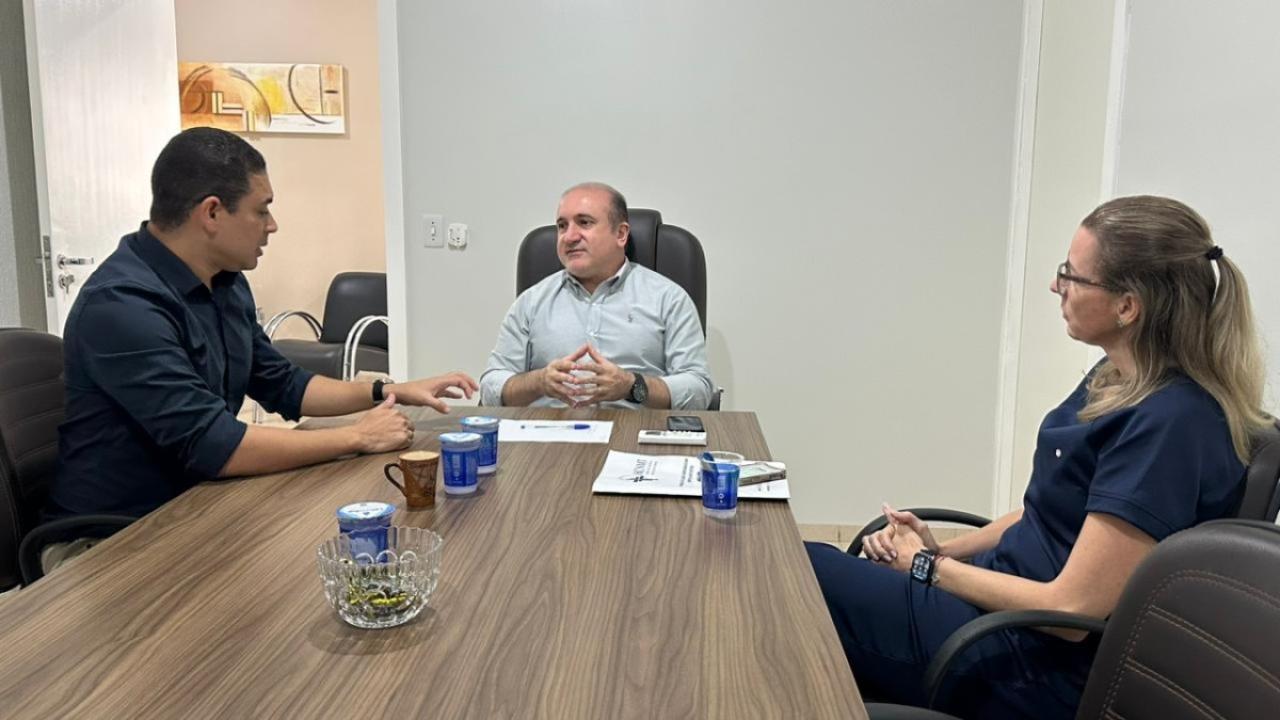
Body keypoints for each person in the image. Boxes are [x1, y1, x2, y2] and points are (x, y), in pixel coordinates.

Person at [805, 196, 1273, 718]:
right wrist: (943, 550)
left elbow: (1071, 611)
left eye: (1071, 275)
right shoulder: (1114, 379)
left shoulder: (1171, 424)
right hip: (996, 611)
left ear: (1127, 306)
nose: (1056, 285)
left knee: (802, 574)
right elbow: (1047, 511)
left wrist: (925, 567)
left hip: (1028, 661)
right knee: (804, 571)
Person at [48, 127, 478, 530]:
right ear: (212, 212)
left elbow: (283, 384)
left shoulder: (224, 282)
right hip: (115, 536)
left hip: (198, 506)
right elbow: (213, 445)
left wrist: (388, 390)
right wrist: (357, 437)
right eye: (262, 209)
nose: (272, 225)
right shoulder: (122, 305)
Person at [479, 182, 714, 409]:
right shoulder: (531, 302)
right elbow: (490, 389)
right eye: (562, 226)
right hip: (550, 430)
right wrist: (538, 382)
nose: (569, 237)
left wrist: (632, 386)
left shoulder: (668, 299)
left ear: (621, 234)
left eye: (584, 222)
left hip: (636, 431)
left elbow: (699, 392)